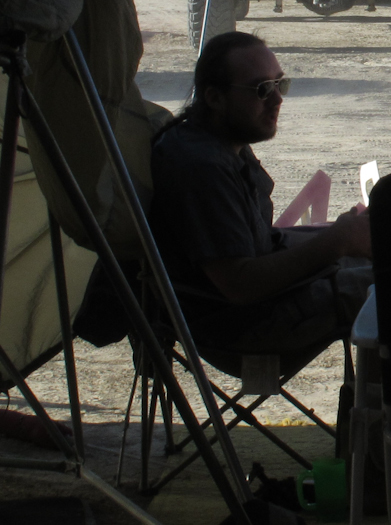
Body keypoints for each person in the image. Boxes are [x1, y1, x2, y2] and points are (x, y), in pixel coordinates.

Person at [149, 31, 373, 356]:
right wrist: (337, 241)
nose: (278, 99)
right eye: (262, 89)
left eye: (280, 84)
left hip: (261, 302)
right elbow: (239, 284)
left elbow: (262, 247)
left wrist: (344, 236)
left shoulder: (222, 143)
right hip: (239, 326)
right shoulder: (200, 165)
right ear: (214, 98)